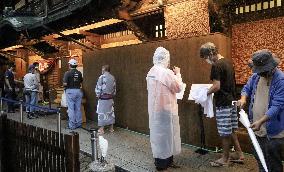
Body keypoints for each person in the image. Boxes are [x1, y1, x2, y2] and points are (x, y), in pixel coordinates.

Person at [238, 49, 284, 172]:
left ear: (271, 67)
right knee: (260, 158)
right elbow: (246, 88)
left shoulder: (280, 80)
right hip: (257, 128)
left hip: (273, 131)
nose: (259, 73)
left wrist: (261, 121)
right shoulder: (256, 76)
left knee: (273, 162)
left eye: (262, 71)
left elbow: (277, 106)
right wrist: (243, 99)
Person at [199, 42, 244, 167]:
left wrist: (205, 93)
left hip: (223, 102)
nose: (206, 60)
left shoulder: (216, 65)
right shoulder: (228, 62)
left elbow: (217, 86)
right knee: (232, 130)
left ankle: (225, 159)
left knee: (225, 132)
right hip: (232, 100)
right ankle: (239, 154)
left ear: (210, 53)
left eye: (205, 57)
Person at [146, 47, 184, 171]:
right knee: (168, 136)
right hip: (166, 110)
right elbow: (178, 87)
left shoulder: (151, 71)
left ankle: (162, 163)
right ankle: (165, 164)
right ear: (166, 58)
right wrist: (178, 73)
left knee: (159, 137)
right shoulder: (165, 72)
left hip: (155, 110)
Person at [95, 65, 116, 134]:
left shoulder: (102, 77)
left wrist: (98, 94)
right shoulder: (113, 77)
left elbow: (98, 88)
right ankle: (111, 128)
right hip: (110, 98)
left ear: (103, 69)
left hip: (103, 98)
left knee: (102, 113)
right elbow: (114, 89)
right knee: (110, 113)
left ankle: (101, 129)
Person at [63, 59, 83, 130]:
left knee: (71, 109)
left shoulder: (67, 73)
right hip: (78, 91)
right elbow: (81, 82)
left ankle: (72, 125)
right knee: (78, 108)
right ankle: (79, 123)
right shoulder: (79, 73)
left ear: (69, 65)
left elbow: (65, 83)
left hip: (70, 91)